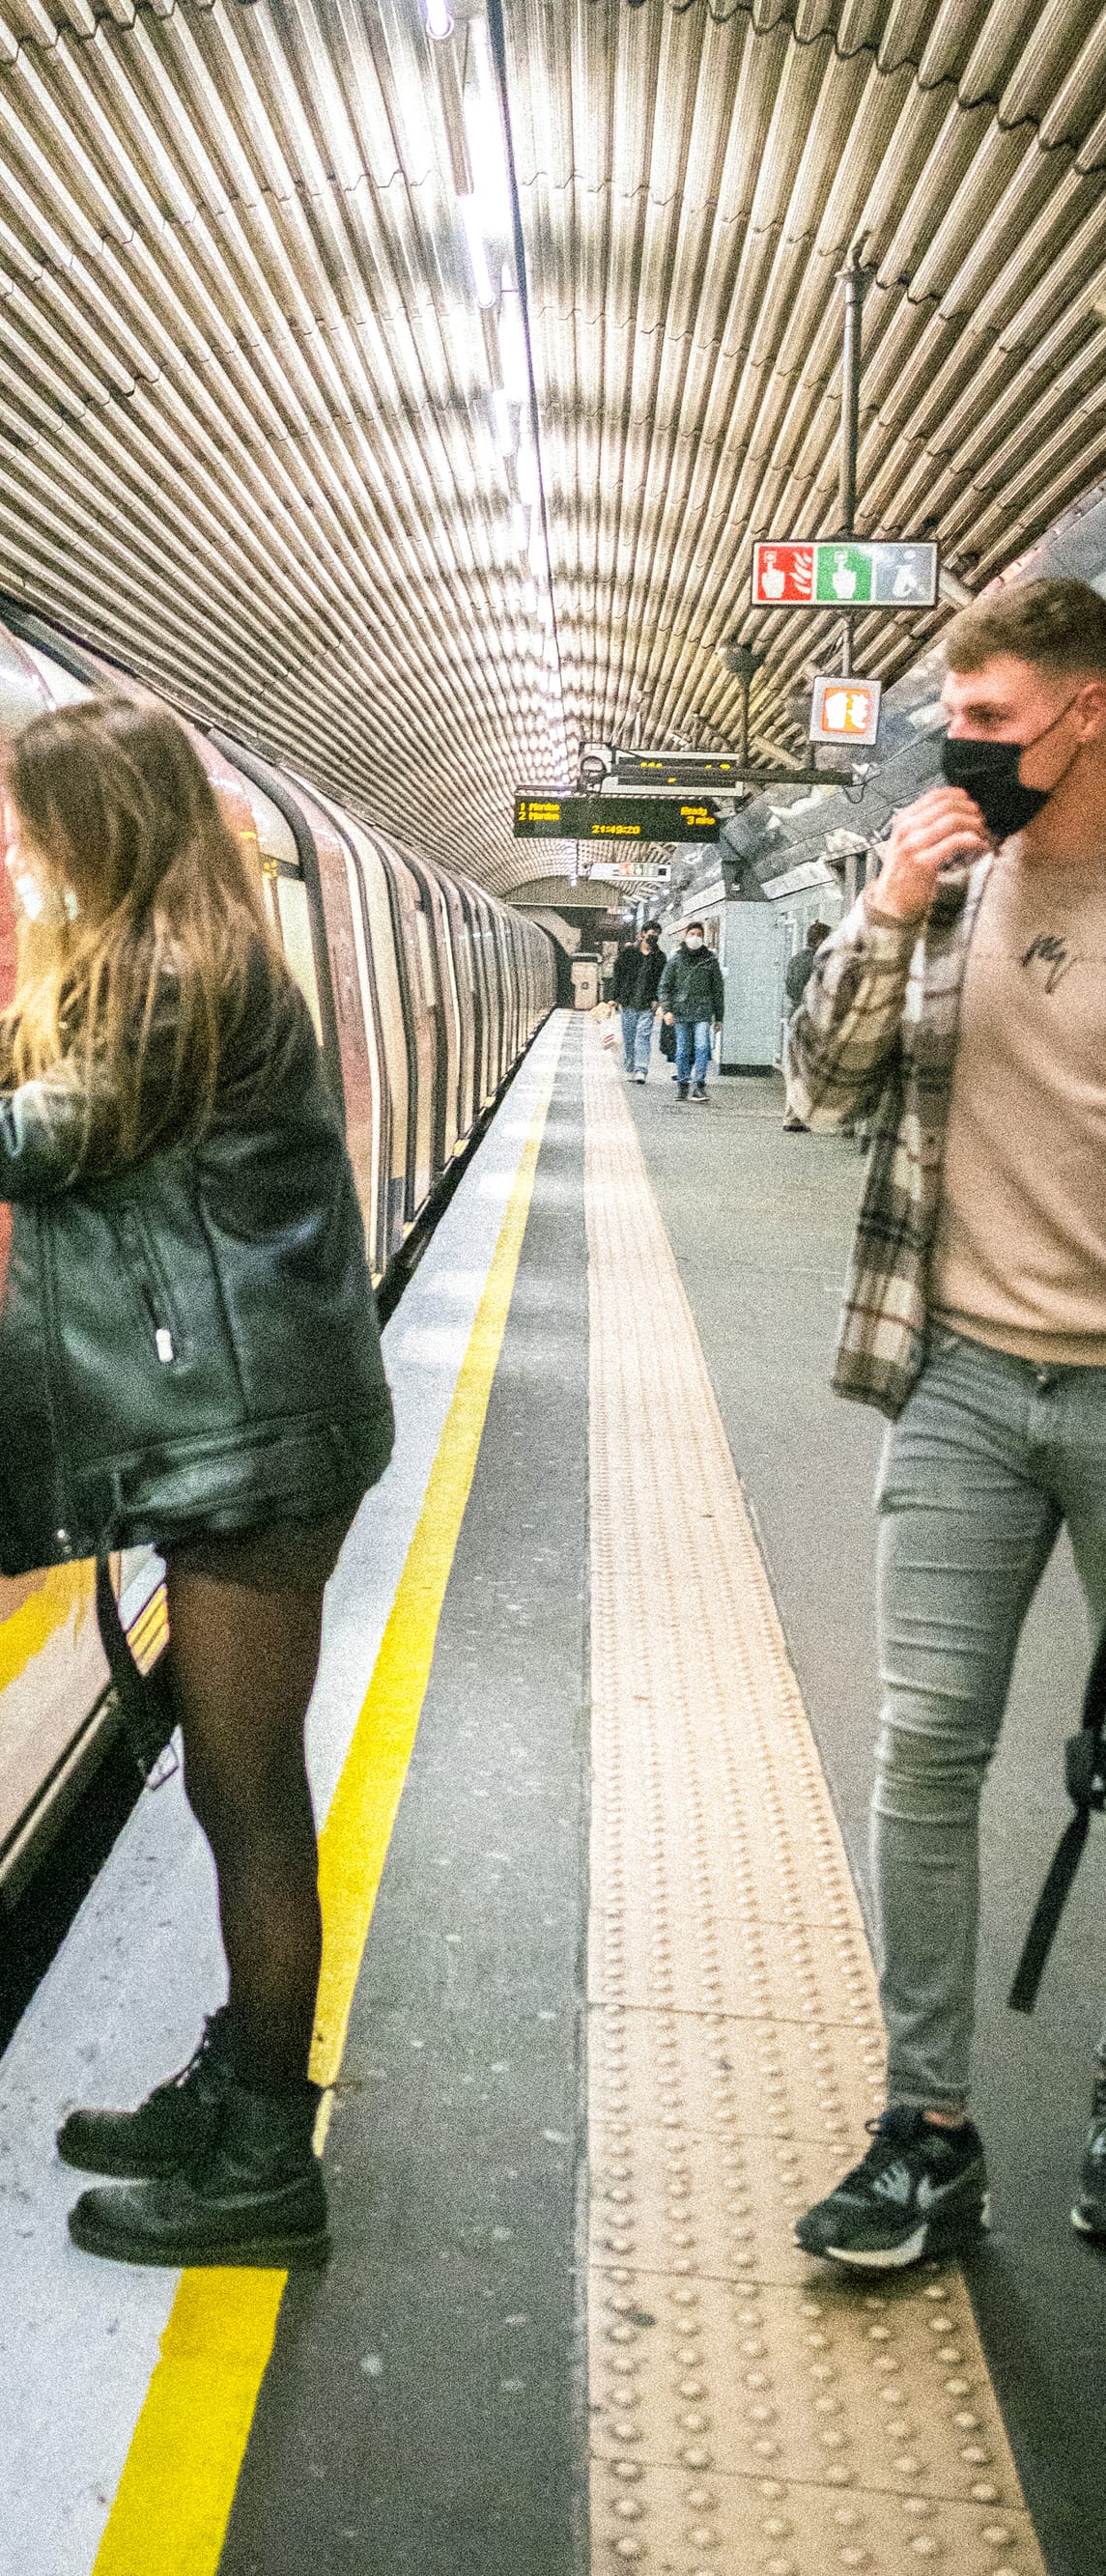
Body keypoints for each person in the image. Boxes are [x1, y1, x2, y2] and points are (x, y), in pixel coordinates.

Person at [0, 694, 394, 2270]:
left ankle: (268, 2151)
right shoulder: (181, 966)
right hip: (258, 1435)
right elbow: (43, 1078)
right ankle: (237, 2081)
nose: (20, 849)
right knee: (228, 1787)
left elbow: (15, 1147)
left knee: (253, 1799)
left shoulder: (173, 977)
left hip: (259, 1450)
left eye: (35, 822)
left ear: (102, 831)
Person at [785, 575, 1106, 2267]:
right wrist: (888, 905)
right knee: (926, 1753)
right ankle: (926, 2125)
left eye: (986, 722)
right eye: (949, 719)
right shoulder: (950, 885)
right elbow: (820, 1090)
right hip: (964, 1372)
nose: (953, 751)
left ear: (1086, 712)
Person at [657, 920, 724, 1101]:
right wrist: (667, 1010)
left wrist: (719, 1017)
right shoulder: (676, 961)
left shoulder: (710, 961)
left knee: (702, 1047)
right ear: (685, 937)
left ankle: (699, 1085)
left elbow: (717, 990)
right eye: (692, 934)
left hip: (702, 1011)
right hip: (680, 1012)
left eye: (699, 935)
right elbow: (664, 986)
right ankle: (683, 1084)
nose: (695, 938)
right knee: (682, 1050)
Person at [780, 922, 831, 1132]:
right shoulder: (820, 962)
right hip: (812, 1018)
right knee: (806, 1071)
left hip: (795, 1016)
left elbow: (790, 988)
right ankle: (796, 1116)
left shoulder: (795, 959)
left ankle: (793, 1115)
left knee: (796, 1069)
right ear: (820, 940)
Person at [611, 923, 664, 1082]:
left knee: (643, 1036)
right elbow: (618, 975)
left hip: (647, 1004)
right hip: (628, 1002)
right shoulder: (629, 953)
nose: (654, 936)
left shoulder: (660, 957)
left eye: (657, 934)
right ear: (643, 934)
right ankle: (631, 1063)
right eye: (651, 933)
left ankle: (641, 1070)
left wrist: (657, 998)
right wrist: (614, 997)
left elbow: (662, 980)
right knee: (629, 1037)